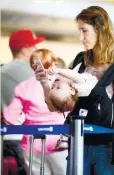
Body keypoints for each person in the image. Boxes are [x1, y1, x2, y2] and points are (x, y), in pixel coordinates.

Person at [34, 6, 114, 175]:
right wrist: (45, 84)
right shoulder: (78, 63)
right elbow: (57, 106)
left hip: (109, 151)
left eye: (84, 31)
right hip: (78, 147)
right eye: (79, 31)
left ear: (100, 30)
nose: (81, 37)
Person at [3, 49, 68, 175]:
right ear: (53, 63)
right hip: (60, 142)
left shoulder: (24, 86)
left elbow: (9, 118)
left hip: (32, 144)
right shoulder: (62, 84)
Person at [1, 29, 45, 175]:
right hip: (23, 140)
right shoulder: (27, 71)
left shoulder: (3, 71)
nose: (36, 51)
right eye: (34, 47)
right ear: (25, 50)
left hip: (6, 138)